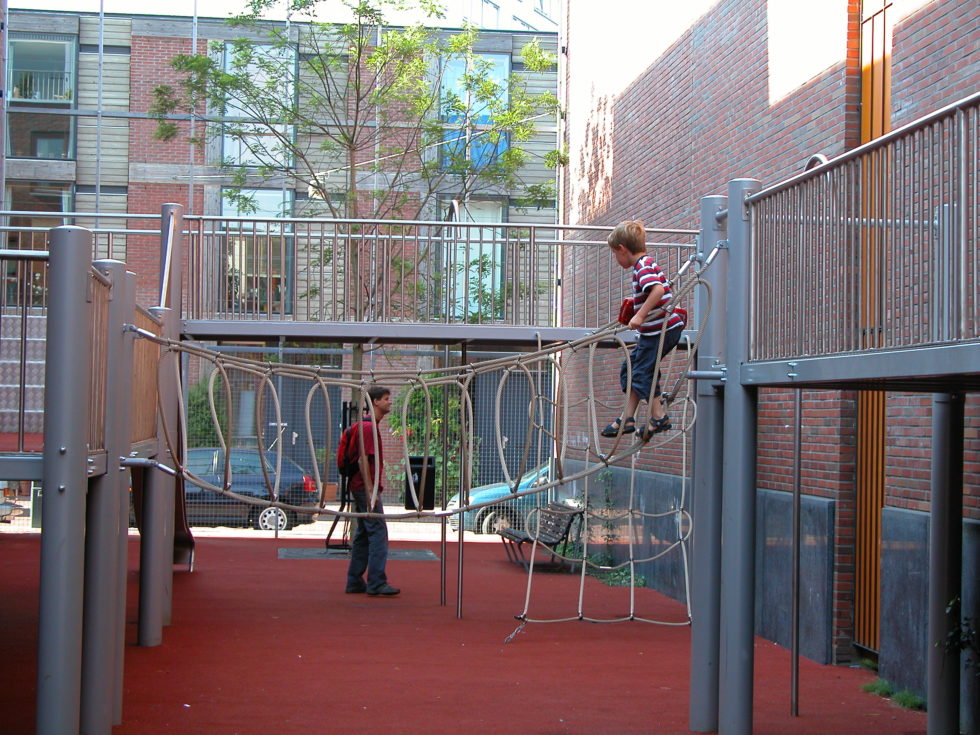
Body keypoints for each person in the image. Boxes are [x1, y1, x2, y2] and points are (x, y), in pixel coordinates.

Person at [601, 220, 685, 441]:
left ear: (622, 249)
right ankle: (627, 418)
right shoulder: (645, 264)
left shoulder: (643, 266)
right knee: (629, 369)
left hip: (661, 331)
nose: (616, 260)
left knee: (642, 373)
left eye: (615, 254)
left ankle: (658, 416)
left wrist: (639, 315)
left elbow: (657, 290)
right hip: (653, 332)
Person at [345, 385, 400, 597]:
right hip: (365, 487)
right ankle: (376, 581)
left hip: (362, 486)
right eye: (386, 398)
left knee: (363, 533)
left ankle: (355, 580)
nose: (389, 402)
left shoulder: (368, 426)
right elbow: (363, 460)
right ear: (376, 401)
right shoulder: (368, 428)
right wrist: (371, 491)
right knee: (378, 532)